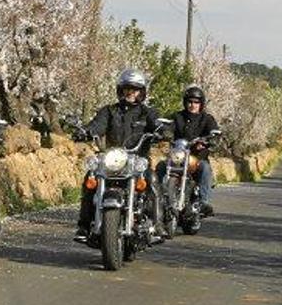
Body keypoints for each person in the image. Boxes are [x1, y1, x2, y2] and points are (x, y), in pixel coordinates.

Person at [73, 68, 166, 242]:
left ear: (142, 92)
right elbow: (97, 125)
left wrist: (161, 131)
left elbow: (158, 125)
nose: (130, 93)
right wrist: (85, 131)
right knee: (89, 180)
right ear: (120, 90)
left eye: (135, 89)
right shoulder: (109, 111)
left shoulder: (148, 113)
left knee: (152, 179)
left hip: (137, 160)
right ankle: (84, 226)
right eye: (127, 89)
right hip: (112, 160)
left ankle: (157, 225)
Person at [158, 85, 219, 216]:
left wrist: (209, 141)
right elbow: (167, 126)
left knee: (205, 168)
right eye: (190, 102)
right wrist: (166, 132)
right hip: (177, 157)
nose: (193, 105)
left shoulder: (207, 119)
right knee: (161, 166)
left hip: (196, 158)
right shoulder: (177, 116)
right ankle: (155, 201)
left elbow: (214, 132)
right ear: (185, 102)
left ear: (201, 104)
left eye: (196, 102)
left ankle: (204, 202)